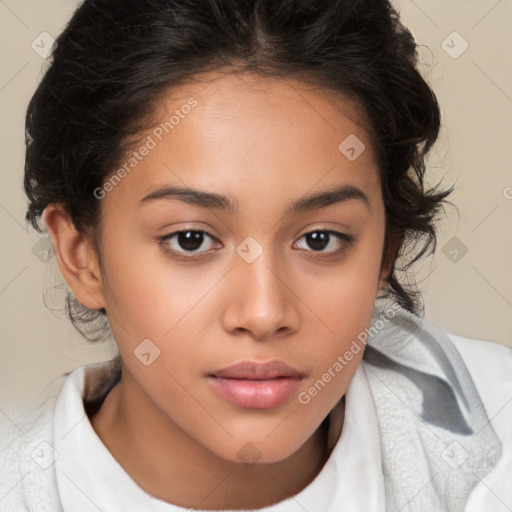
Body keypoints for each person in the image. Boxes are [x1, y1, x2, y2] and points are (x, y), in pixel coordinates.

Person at [1, 0, 510, 511]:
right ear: (82, 254)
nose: (264, 314)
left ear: (384, 251)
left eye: (319, 239)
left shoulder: (494, 431)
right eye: (191, 240)